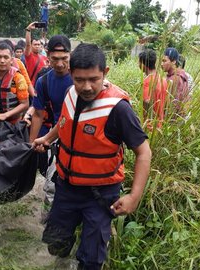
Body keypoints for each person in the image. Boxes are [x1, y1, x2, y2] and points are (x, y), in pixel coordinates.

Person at [33, 43, 151, 270]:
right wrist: (47, 138)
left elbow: (144, 152)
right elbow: (65, 122)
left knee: (91, 260)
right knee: (55, 243)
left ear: (105, 73)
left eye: (93, 79)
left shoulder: (118, 109)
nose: (86, 87)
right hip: (66, 185)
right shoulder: (71, 93)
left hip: (100, 194)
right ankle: (66, 254)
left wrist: (134, 197)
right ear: (71, 74)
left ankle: (86, 254)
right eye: (79, 80)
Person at [25, 35, 73, 223]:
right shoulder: (43, 82)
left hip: (83, 136)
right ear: (48, 57)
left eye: (64, 59)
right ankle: (48, 218)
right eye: (55, 59)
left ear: (70, 56)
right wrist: (31, 142)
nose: (60, 64)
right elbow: (38, 114)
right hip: (57, 135)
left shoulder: (81, 77)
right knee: (51, 181)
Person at [0, 43, 29, 123]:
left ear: (11, 60)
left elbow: (25, 104)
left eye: (6, 57)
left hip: (13, 123)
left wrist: (6, 115)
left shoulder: (18, 78)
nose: (2, 61)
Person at [138, 49, 168, 130]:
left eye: (139, 62)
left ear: (144, 64)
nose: (138, 64)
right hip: (160, 124)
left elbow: (147, 103)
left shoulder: (147, 82)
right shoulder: (163, 79)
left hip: (149, 127)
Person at [161, 47, 189, 116]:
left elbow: (172, 104)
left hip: (172, 120)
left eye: (164, 61)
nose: (161, 64)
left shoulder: (174, 79)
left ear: (173, 61)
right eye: (162, 61)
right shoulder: (180, 75)